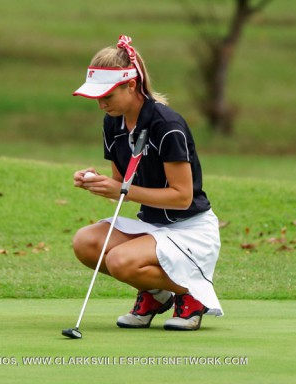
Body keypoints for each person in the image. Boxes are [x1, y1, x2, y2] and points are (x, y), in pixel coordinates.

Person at [71, 35, 223, 331]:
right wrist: (95, 182)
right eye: (97, 98)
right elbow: (121, 185)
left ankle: (192, 294)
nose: (101, 104)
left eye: (107, 96)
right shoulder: (112, 123)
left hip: (190, 230)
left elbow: (182, 197)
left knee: (120, 261)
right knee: (86, 243)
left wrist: (122, 191)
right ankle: (156, 294)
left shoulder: (167, 126)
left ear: (130, 85)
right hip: (152, 226)